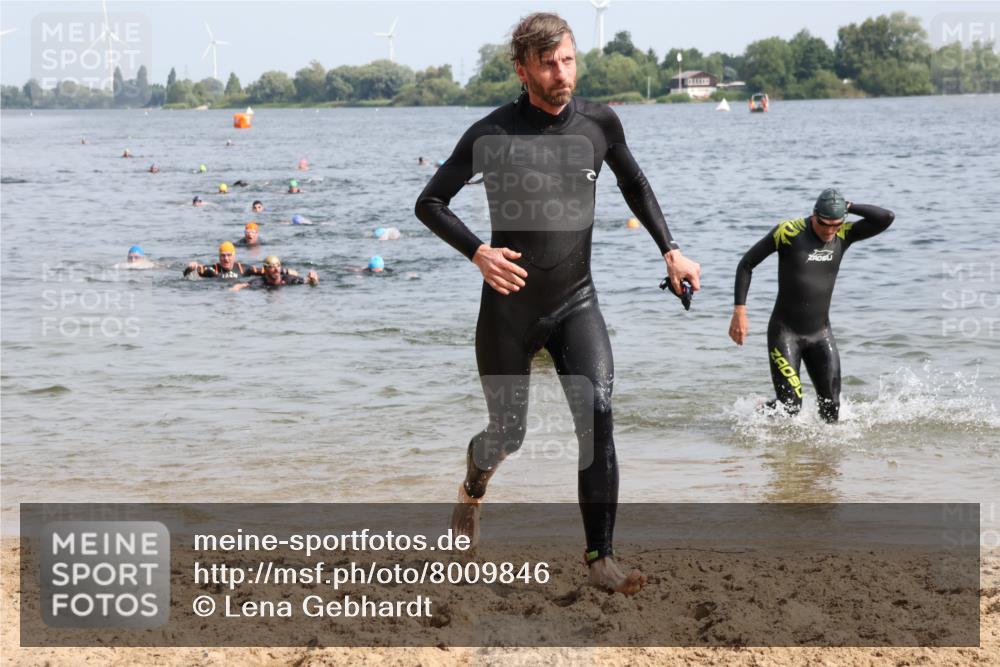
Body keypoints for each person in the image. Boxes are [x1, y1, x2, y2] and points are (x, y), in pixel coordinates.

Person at [414, 12, 700, 595]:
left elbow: (635, 184)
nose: (561, 73)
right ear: (523, 69)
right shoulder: (492, 134)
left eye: (568, 60)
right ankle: (473, 487)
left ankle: (601, 559)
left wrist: (671, 250)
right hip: (509, 307)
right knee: (508, 434)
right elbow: (430, 202)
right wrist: (478, 253)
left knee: (598, 412)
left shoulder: (599, 123)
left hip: (576, 300)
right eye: (548, 64)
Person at [729, 188, 895, 423]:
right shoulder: (788, 232)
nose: (829, 231)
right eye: (824, 224)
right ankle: (757, 412)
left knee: (831, 409)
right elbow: (746, 264)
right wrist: (740, 312)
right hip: (785, 333)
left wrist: (848, 206)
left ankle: (821, 449)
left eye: (836, 224)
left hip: (821, 334)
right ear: (814, 214)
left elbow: (885, 218)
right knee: (790, 407)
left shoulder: (844, 234)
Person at [184, 242, 295, 280]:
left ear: (234, 256)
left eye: (229, 255)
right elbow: (186, 275)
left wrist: (285, 271)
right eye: (223, 256)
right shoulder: (212, 269)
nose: (226, 259)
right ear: (219, 257)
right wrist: (190, 267)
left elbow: (266, 271)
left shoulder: (244, 269)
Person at [230, 255, 318, 291]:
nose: (276, 270)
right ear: (265, 269)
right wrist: (236, 287)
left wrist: (314, 279)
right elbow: (243, 285)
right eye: (272, 266)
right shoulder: (260, 282)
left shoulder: (288, 279)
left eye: (278, 266)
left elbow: (309, 281)